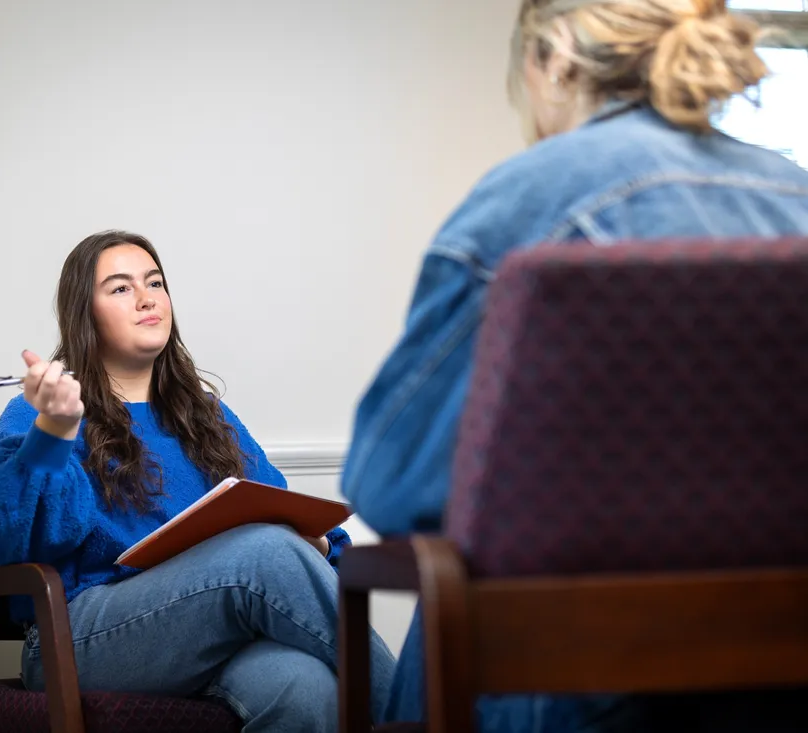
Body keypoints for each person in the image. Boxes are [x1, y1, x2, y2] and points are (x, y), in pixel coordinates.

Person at [341, 0, 808, 730]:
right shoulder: (795, 195)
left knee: (453, 597)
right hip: (776, 667)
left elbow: (388, 482)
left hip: (575, 684)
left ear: (554, 55)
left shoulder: (532, 194)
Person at [0, 229, 395, 732]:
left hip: (202, 638)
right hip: (74, 640)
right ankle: (420, 719)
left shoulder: (207, 417)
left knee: (304, 686)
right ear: (86, 313)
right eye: (121, 288)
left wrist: (316, 543)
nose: (147, 298)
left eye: (155, 283)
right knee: (264, 552)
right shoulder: (40, 412)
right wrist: (54, 431)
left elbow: (286, 517)